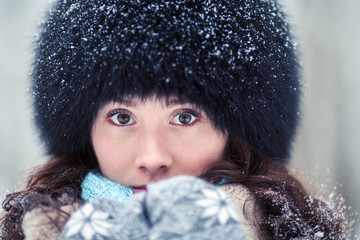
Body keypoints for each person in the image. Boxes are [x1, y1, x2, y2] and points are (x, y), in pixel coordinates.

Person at [0, 0, 354, 239]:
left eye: (184, 117)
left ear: (237, 130)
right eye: (122, 117)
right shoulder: (35, 229)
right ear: (83, 130)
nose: (153, 157)